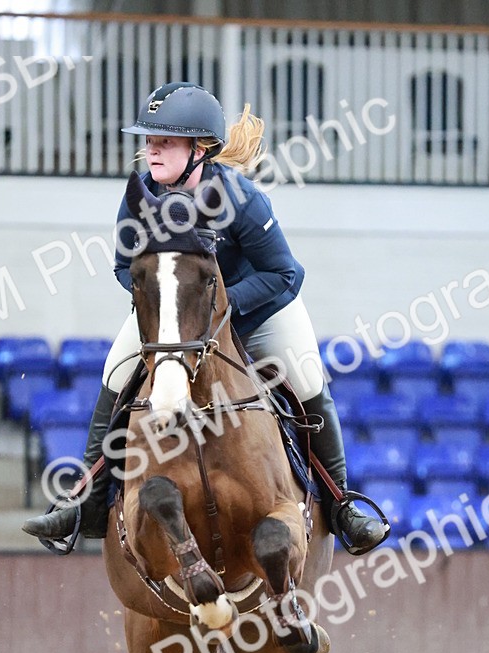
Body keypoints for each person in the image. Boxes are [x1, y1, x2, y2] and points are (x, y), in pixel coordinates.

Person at [24, 81, 388, 554]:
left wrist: (217, 306)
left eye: (165, 141)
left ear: (199, 149)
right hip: (175, 315)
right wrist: (170, 307)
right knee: (114, 375)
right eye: (149, 140)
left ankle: (342, 505)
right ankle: (86, 503)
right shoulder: (139, 198)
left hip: (259, 310)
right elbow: (122, 267)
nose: (152, 151)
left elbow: (284, 273)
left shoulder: (240, 198)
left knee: (306, 379)